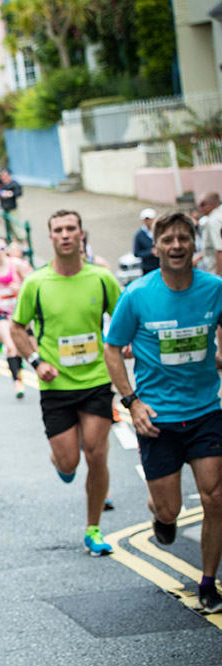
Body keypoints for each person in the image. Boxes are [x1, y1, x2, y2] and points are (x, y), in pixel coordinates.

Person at [104, 212, 222, 613]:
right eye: (167, 240)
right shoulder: (137, 295)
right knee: (170, 508)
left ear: (194, 244)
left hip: (206, 411)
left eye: (183, 239)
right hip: (159, 420)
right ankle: (163, 517)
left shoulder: (214, 289)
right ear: (156, 248)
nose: (176, 246)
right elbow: (112, 348)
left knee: (216, 497)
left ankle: (208, 581)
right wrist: (132, 401)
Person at [11, 210, 121, 556]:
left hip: (96, 380)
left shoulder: (102, 279)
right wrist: (36, 362)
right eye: (58, 229)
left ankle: (93, 529)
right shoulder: (36, 283)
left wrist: (123, 346)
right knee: (69, 462)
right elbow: (17, 327)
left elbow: (122, 319)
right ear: (51, 237)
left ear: (81, 233)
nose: (65, 235)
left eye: (71, 228)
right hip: (55, 385)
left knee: (97, 452)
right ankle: (61, 460)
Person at [0, 238, 26, 398]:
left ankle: (19, 373)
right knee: (11, 346)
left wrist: (20, 288)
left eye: (1, 248)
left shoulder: (17, 264)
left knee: (22, 346)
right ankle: (17, 382)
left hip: (18, 311)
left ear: (6, 249)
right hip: (0, 311)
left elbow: (31, 284)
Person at [197, 191, 222, 275]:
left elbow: (220, 250)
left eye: (202, 204)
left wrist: (218, 277)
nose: (200, 208)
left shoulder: (214, 220)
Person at [133, 209, 160, 274]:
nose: (148, 221)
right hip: (147, 268)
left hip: (161, 266)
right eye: (146, 219)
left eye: (149, 219)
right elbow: (136, 253)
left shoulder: (160, 232)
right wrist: (150, 252)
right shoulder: (139, 235)